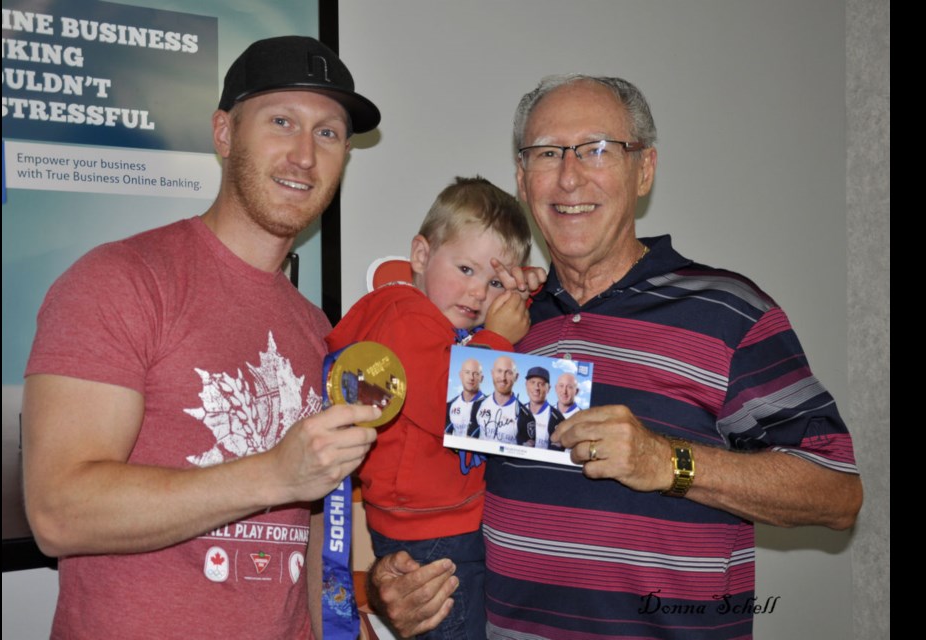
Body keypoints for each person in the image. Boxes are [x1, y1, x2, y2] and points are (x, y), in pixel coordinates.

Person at [368, 74, 862, 640]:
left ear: (644, 170)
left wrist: (667, 463)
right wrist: (393, 581)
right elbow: (420, 475)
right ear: (523, 180)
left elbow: (837, 491)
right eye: (547, 153)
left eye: (597, 149)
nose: (570, 175)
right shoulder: (488, 320)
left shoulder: (730, 311)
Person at [22, 36, 382, 639]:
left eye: (328, 134)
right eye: (282, 121)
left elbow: (319, 541)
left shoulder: (318, 330)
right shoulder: (121, 282)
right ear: (224, 133)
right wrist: (272, 474)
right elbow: (59, 512)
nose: (304, 155)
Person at [325, 176, 539, 639]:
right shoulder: (405, 315)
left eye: (496, 280)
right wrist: (500, 338)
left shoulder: (441, 327)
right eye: (466, 269)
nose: (480, 293)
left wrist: (526, 296)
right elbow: (454, 404)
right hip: (430, 535)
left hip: (446, 525)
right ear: (421, 256)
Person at [469, 355, 535, 446]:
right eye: (499, 371)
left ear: (516, 377)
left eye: (508, 372)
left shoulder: (526, 416)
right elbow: (470, 439)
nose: (503, 378)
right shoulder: (477, 405)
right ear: (492, 373)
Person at [523, 366, 564, 449]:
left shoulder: (557, 418)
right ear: (526, 385)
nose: (536, 388)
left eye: (541, 384)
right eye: (532, 382)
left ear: (548, 388)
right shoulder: (518, 410)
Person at [446, 358, 486, 438]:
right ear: (460, 375)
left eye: (476, 374)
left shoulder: (490, 406)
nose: (471, 377)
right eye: (467, 372)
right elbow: (446, 435)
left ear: (481, 378)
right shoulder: (450, 405)